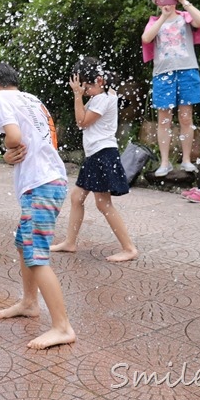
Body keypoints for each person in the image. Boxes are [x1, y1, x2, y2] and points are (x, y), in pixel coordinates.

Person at [0, 61, 76, 350]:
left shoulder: (1, 98)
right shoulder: (31, 99)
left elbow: (15, 138)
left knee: (36, 255)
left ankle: (62, 326)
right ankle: (30, 302)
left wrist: (7, 148)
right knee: (24, 242)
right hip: (50, 180)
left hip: (41, 184)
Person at [50, 57, 138, 262]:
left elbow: (81, 122)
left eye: (87, 87)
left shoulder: (102, 99)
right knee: (77, 197)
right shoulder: (104, 94)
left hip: (103, 154)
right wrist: (85, 89)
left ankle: (129, 248)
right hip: (96, 155)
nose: (85, 91)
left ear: (99, 81)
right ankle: (70, 242)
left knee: (103, 203)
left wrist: (77, 96)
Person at [141, 0, 200, 177]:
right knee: (164, 120)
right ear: (157, 2)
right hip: (163, 74)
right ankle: (164, 162)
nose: (167, 4)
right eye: (163, 1)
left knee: (186, 117)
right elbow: (146, 38)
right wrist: (162, 16)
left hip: (187, 70)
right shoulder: (154, 22)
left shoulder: (185, 17)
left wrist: (183, 1)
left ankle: (186, 160)